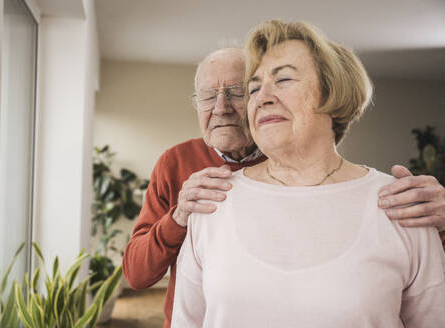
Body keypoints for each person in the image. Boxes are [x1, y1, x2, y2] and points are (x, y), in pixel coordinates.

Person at [123, 48, 445, 328]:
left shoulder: (304, 161)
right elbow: (137, 275)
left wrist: (438, 226)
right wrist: (179, 216)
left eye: (236, 92)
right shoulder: (175, 162)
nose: (220, 107)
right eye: (207, 96)